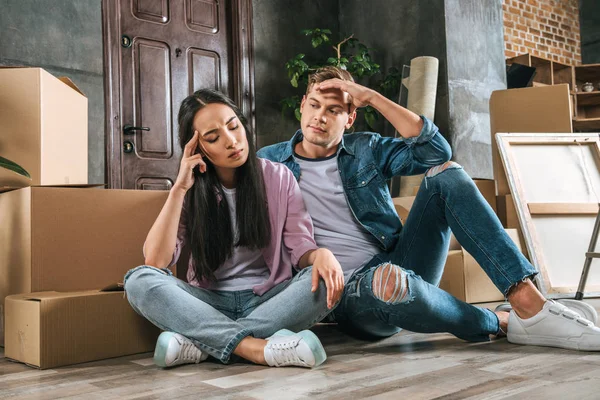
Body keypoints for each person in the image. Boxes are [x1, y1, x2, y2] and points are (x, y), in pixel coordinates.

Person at [258, 66, 600, 351]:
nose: (320, 117)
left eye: (333, 110)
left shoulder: (366, 148)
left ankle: (530, 304)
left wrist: (373, 98)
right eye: (315, 105)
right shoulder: (268, 163)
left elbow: (435, 151)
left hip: (401, 259)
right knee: (387, 284)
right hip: (347, 295)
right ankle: (498, 321)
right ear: (302, 105)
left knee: (446, 175)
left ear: (350, 118)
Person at [124, 89, 345, 369]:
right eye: (214, 138)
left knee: (328, 278)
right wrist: (179, 188)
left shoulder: (278, 177)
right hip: (208, 302)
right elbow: (155, 262)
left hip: (268, 300)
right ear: (196, 147)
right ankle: (256, 348)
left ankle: (203, 343)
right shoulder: (190, 188)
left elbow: (300, 247)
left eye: (233, 126)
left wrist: (320, 254)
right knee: (139, 280)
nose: (231, 142)